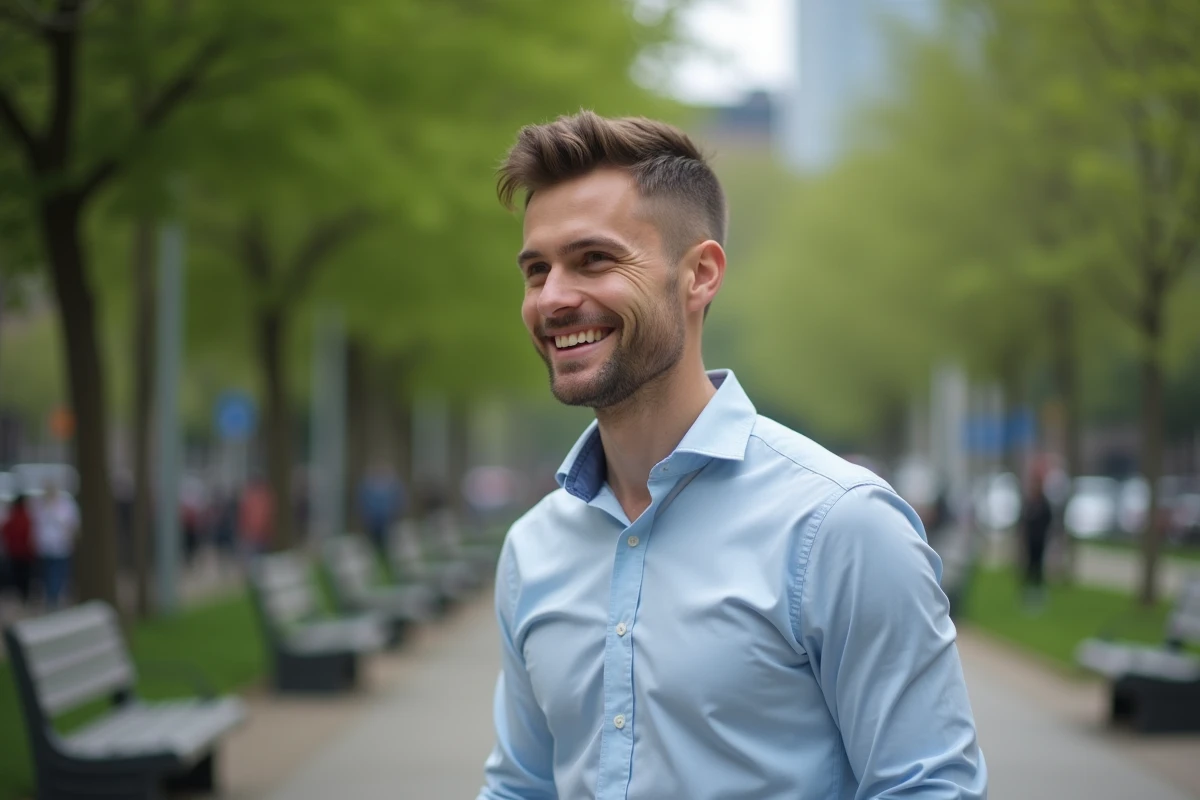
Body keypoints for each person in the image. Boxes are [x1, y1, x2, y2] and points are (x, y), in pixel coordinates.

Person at [476, 112, 987, 800]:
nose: (554, 298)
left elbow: (928, 787)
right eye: (537, 270)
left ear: (700, 275)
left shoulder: (840, 527)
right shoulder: (531, 548)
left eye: (593, 259)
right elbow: (521, 788)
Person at [35, 482, 80, 609]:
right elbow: (37, 527)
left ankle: (54, 597)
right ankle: (52, 597)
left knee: (58, 573)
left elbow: (72, 524)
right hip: (46, 547)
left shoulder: (65, 505)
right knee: (48, 574)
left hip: (61, 546)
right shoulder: (41, 506)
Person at [1019, 460, 1054, 608]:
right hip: (1030, 541)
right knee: (1029, 565)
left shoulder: (1044, 504)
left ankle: (1038, 593)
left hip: (1040, 540)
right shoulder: (1029, 503)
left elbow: (1048, 520)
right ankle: (1027, 593)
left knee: (1038, 566)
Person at [1, 494, 36, 604]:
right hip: (25, 552)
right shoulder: (26, 517)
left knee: (18, 575)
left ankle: (21, 596)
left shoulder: (14, 517)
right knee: (24, 575)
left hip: (14, 552)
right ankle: (24, 596)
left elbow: (5, 531)